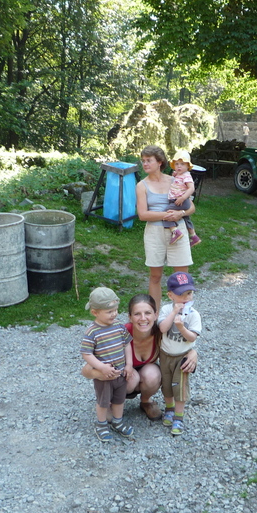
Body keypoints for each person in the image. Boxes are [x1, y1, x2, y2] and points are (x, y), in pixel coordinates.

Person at [81, 293, 198, 421]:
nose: (143, 318)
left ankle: (146, 401)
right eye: (137, 314)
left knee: (153, 374)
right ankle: (110, 402)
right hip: (120, 379)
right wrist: (100, 373)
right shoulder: (119, 333)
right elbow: (86, 370)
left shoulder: (162, 332)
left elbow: (180, 345)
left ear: (156, 315)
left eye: (148, 313)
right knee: (131, 382)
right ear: (130, 317)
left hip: (143, 376)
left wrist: (193, 352)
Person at [135, 145, 196, 311]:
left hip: (178, 230)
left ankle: (182, 314)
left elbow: (191, 207)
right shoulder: (142, 185)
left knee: (182, 277)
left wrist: (180, 213)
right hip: (154, 233)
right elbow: (142, 215)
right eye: (143, 161)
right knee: (155, 276)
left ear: (159, 162)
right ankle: (154, 317)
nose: (145, 164)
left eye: (149, 160)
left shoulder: (175, 180)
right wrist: (166, 215)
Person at [80, 287, 134, 441]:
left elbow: (127, 344)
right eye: (109, 311)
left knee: (119, 399)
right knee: (103, 401)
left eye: (115, 310)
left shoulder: (119, 326)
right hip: (104, 376)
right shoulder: (92, 332)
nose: (114, 314)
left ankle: (118, 421)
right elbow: (86, 353)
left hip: (120, 373)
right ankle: (101, 424)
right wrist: (101, 367)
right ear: (95, 312)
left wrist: (129, 364)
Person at [157, 272, 201, 436]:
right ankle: (169, 408)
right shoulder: (166, 309)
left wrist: (182, 327)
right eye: (181, 294)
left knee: (180, 387)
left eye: (189, 293)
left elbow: (192, 337)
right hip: (165, 355)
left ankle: (179, 416)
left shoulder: (194, 315)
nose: (186, 298)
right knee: (167, 384)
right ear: (170, 295)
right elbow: (163, 328)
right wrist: (173, 313)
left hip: (183, 356)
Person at [161, 150, 201, 247]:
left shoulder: (186, 176)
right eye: (177, 164)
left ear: (188, 166)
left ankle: (175, 231)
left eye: (182, 164)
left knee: (167, 213)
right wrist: (175, 175)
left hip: (180, 201)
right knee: (186, 217)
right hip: (180, 201)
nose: (179, 166)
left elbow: (191, 188)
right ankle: (194, 236)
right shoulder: (180, 175)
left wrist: (183, 198)